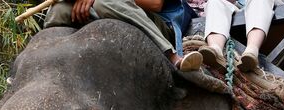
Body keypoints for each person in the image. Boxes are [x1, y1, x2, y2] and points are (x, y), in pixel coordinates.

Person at [44, 0, 202, 71]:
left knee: (105, 2)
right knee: (59, 9)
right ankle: (46, 59)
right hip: (107, 12)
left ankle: (171, 56)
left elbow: (155, 3)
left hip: (157, 24)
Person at [199, 0, 282, 72]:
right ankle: (216, 50)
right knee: (215, 2)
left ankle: (252, 50)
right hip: (240, 9)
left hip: (270, 7)